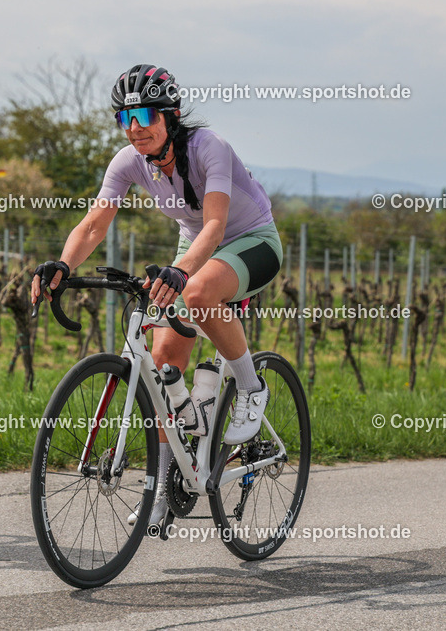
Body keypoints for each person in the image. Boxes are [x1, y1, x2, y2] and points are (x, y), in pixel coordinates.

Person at [30, 63, 282, 526]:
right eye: (125, 118)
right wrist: (64, 265)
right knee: (164, 366)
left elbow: (215, 226)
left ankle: (251, 387)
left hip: (251, 240)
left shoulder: (210, 148)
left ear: (171, 114)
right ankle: (164, 489)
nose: (135, 128)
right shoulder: (128, 162)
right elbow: (93, 225)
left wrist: (181, 273)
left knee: (201, 292)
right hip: (196, 244)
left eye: (145, 115)